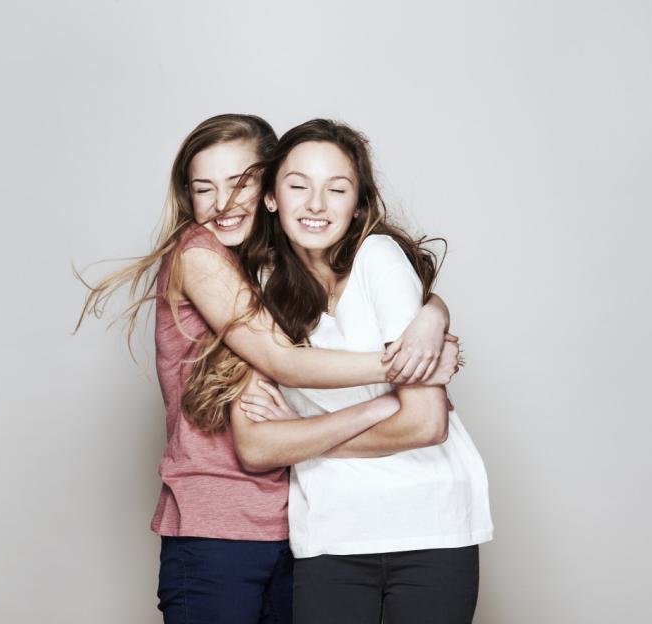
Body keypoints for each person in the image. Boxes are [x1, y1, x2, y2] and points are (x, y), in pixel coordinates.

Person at [76, 114, 461, 624]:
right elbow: (285, 364)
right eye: (203, 189)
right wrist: (404, 370)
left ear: (269, 188)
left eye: (240, 183)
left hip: (293, 523)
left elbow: (389, 287)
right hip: (217, 523)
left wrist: (431, 315)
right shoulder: (199, 253)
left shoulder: (271, 270)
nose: (223, 204)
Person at [231, 119, 493, 624]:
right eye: (297, 185)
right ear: (269, 197)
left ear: (358, 203)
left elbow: (425, 423)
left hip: (430, 524)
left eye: (337, 188)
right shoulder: (257, 284)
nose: (315, 204)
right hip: (330, 529)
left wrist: (301, 434)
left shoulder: (379, 258)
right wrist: (381, 404)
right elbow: (259, 447)